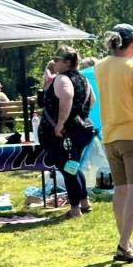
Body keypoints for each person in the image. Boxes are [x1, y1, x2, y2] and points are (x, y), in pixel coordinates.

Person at [94, 23, 133, 262]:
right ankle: (123, 246)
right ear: (131, 43)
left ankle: (126, 241)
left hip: (110, 136)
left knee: (121, 191)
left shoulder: (100, 67)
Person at [38, 47, 95, 218]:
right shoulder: (84, 79)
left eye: (57, 60)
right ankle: (84, 202)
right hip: (80, 131)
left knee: (68, 170)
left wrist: (61, 123)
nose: (54, 63)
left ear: (67, 62)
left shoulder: (62, 78)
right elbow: (92, 101)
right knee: (73, 167)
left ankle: (75, 209)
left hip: (61, 134)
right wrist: (78, 115)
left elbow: (67, 96)